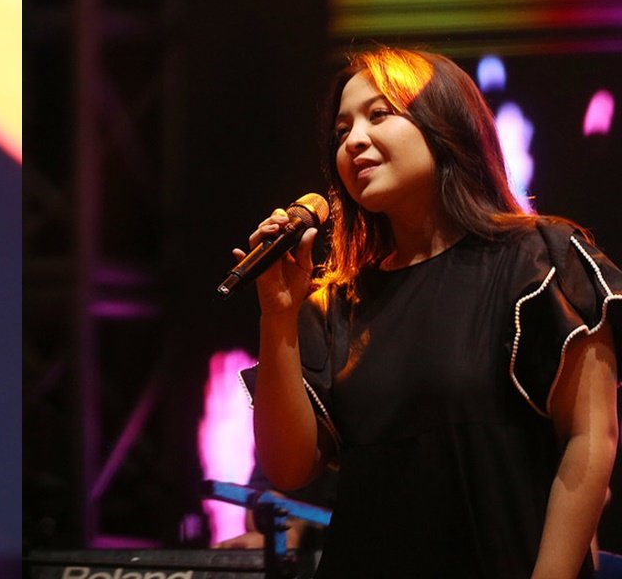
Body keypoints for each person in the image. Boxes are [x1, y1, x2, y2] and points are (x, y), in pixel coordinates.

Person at [239, 47, 619, 578]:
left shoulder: (541, 259)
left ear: (445, 124)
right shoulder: (336, 306)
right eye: (341, 131)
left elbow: (590, 439)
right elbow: (289, 466)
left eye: (379, 114)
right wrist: (277, 315)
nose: (354, 140)